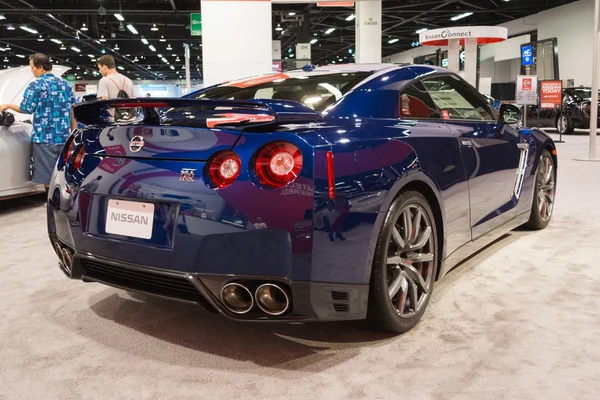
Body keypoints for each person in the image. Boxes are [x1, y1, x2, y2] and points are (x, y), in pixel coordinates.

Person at [0, 53, 76, 189]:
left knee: (47, 174)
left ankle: (51, 201)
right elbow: (72, 110)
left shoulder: (36, 85)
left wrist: (7, 105)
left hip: (44, 136)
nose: (32, 71)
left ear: (40, 67)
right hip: (64, 136)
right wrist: (72, 132)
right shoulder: (66, 84)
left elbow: (26, 108)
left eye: (32, 68)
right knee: (63, 172)